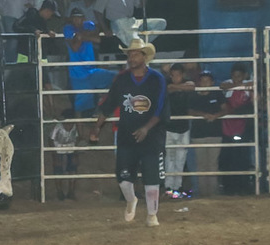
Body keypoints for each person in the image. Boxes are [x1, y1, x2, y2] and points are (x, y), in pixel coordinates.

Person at [89, 37, 169, 226]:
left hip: (152, 135)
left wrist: (146, 128)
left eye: (135, 54)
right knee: (123, 176)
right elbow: (109, 104)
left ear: (144, 57)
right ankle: (131, 200)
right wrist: (97, 127)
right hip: (127, 134)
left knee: (151, 176)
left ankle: (152, 214)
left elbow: (161, 109)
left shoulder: (157, 79)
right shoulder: (122, 79)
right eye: (130, 54)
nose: (131, 58)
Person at [62, 7, 114, 115]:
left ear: (83, 18)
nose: (76, 20)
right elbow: (75, 47)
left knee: (116, 78)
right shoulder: (68, 28)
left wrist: (80, 36)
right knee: (80, 104)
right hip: (77, 71)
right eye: (74, 18)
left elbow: (98, 39)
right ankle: (82, 121)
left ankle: (104, 104)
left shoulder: (89, 24)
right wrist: (86, 36)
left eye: (79, 18)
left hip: (91, 68)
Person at [188, 70, 225, 197]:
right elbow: (190, 111)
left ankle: (213, 193)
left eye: (207, 81)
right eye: (203, 81)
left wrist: (215, 115)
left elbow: (226, 109)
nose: (205, 83)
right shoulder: (194, 95)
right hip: (199, 135)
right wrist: (203, 114)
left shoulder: (217, 94)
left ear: (212, 82)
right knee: (202, 165)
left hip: (215, 133)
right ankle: (203, 193)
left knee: (212, 164)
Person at [220, 64, 254, 195]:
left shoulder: (248, 85)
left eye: (239, 76)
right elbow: (223, 85)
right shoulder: (228, 83)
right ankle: (229, 187)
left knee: (242, 157)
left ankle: (243, 186)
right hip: (227, 126)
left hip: (243, 126)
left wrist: (241, 85)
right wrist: (239, 85)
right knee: (228, 158)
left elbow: (254, 85)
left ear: (244, 76)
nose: (236, 79)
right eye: (234, 76)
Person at [164, 63, 195, 199]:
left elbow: (191, 87)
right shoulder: (166, 84)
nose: (175, 78)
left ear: (183, 75)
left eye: (178, 75)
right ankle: (169, 188)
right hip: (170, 127)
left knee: (180, 159)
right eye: (173, 75)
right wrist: (177, 87)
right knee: (170, 158)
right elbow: (167, 89)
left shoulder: (186, 83)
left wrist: (175, 87)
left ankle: (176, 188)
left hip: (183, 127)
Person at [49, 108, 79, 200]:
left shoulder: (75, 126)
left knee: (73, 166)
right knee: (58, 167)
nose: (69, 125)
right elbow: (51, 139)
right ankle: (59, 191)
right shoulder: (58, 126)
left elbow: (77, 138)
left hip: (70, 146)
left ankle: (71, 191)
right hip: (58, 147)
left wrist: (75, 151)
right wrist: (54, 153)